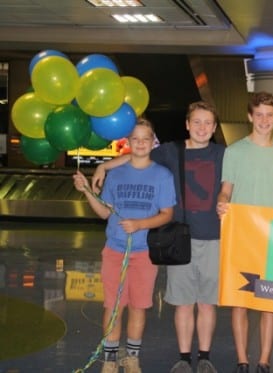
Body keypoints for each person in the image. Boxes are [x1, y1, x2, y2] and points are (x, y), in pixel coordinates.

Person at [92, 101, 225, 373]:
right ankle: (185, 357)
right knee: (183, 303)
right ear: (187, 124)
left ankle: (206, 357)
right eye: (196, 122)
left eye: (207, 123)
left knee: (207, 303)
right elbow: (137, 155)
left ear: (214, 127)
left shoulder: (224, 154)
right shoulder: (169, 151)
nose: (201, 128)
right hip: (179, 240)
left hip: (214, 237)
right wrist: (105, 166)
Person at [74, 118, 176, 373]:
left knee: (139, 305)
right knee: (113, 305)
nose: (140, 143)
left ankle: (132, 357)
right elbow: (104, 213)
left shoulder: (162, 175)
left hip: (144, 253)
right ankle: (109, 358)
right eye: (135, 139)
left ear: (153, 142)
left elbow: (167, 214)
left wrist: (141, 224)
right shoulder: (116, 175)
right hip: (115, 251)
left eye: (145, 138)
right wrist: (87, 191)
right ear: (127, 142)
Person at [216, 91, 273, 373]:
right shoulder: (234, 152)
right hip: (242, 236)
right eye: (258, 114)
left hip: (272, 239)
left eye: (269, 115)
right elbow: (226, 190)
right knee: (241, 301)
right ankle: (242, 360)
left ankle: (263, 361)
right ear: (250, 116)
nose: (263, 120)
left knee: (268, 302)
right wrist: (222, 204)